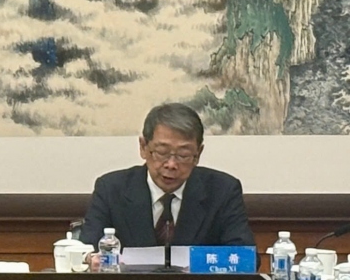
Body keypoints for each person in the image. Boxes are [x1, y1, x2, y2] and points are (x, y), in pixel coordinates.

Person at [79, 103, 255, 249]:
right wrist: (92, 259)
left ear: (198, 154)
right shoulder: (111, 189)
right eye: (162, 152)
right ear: (143, 147)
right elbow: (87, 249)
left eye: (183, 155)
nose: (171, 164)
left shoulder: (223, 191)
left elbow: (245, 257)